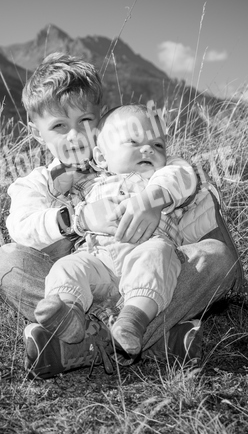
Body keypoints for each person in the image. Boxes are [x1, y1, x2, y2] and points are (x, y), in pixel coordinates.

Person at [0, 52, 243, 379]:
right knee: (6, 263)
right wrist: (78, 220)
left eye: (85, 121)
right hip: (87, 276)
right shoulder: (37, 183)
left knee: (217, 258)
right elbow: (22, 227)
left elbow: (181, 172)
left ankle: (85, 343)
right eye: (59, 126)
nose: (75, 135)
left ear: (102, 119)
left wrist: (152, 200)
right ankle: (150, 338)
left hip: (153, 269)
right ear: (37, 133)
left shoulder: (134, 154)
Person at [35, 104, 197, 357]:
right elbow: (56, 193)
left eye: (158, 145)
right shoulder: (91, 183)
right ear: (101, 158)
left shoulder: (163, 176)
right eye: (133, 141)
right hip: (98, 260)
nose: (148, 149)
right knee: (66, 267)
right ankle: (69, 315)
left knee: (156, 256)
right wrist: (63, 176)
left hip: (146, 251)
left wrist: (151, 199)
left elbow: (182, 177)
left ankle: (131, 322)